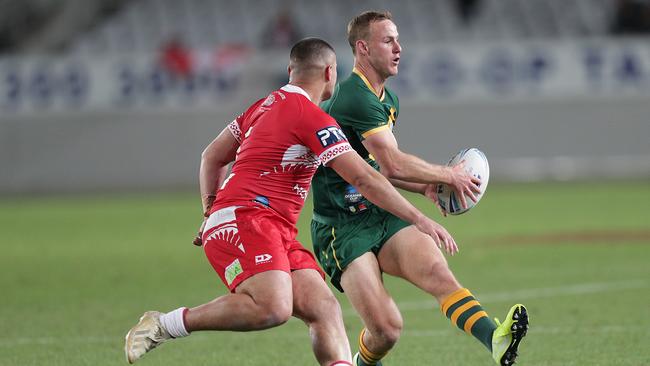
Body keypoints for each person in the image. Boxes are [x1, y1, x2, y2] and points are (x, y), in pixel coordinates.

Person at [124, 37, 459, 366]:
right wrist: (419, 218)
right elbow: (363, 178)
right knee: (274, 307)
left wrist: (211, 210)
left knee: (322, 307)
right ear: (330, 73)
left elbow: (211, 156)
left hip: (272, 227)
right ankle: (165, 324)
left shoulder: (263, 106)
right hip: (249, 217)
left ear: (290, 70)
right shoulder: (311, 117)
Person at [310, 11, 529, 366]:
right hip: (341, 228)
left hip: (380, 210)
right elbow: (393, 162)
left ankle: (496, 339)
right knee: (386, 330)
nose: (399, 48)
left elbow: (378, 169)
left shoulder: (387, 100)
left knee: (438, 272)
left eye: (398, 39)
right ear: (363, 48)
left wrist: (424, 186)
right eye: (388, 41)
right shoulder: (353, 97)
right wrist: (447, 175)